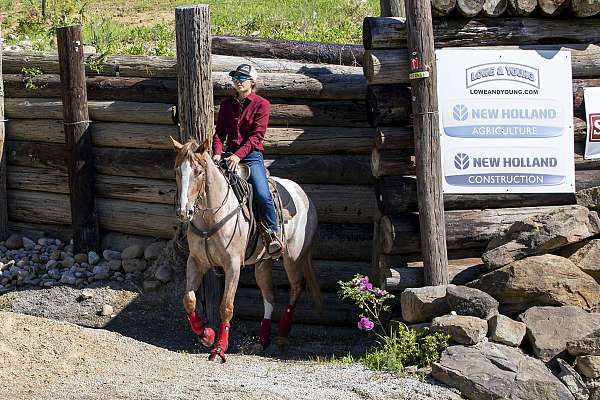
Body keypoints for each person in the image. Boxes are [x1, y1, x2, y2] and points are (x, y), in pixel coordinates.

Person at [212, 64, 282, 256]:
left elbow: (256, 137)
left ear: (252, 82)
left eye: (242, 78)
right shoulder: (227, 105)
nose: (238, 81)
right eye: (235, 78)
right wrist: (218, 153)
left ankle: (272, 233)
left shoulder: (262, 104)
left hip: (251, 157)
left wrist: (238, 155)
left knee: (262, 193)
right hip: (228, 156)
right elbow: (219, 133)